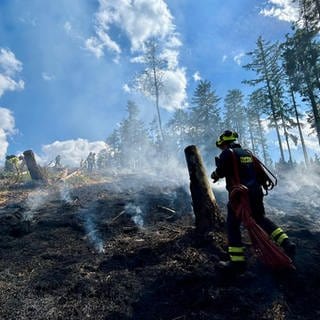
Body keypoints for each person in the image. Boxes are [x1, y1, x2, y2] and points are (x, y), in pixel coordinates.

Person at [211, 130, 296, 273]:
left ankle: (237, 262)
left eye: (222, 146)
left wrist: (215, 173)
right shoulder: (247, 153)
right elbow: (259, 174)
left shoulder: (227, 153)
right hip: (255, 192)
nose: (222, 148)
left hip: (240, 194)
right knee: (260, 218)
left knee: (232, 225)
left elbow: (221, 171)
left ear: (224, 143)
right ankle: (286, 243)